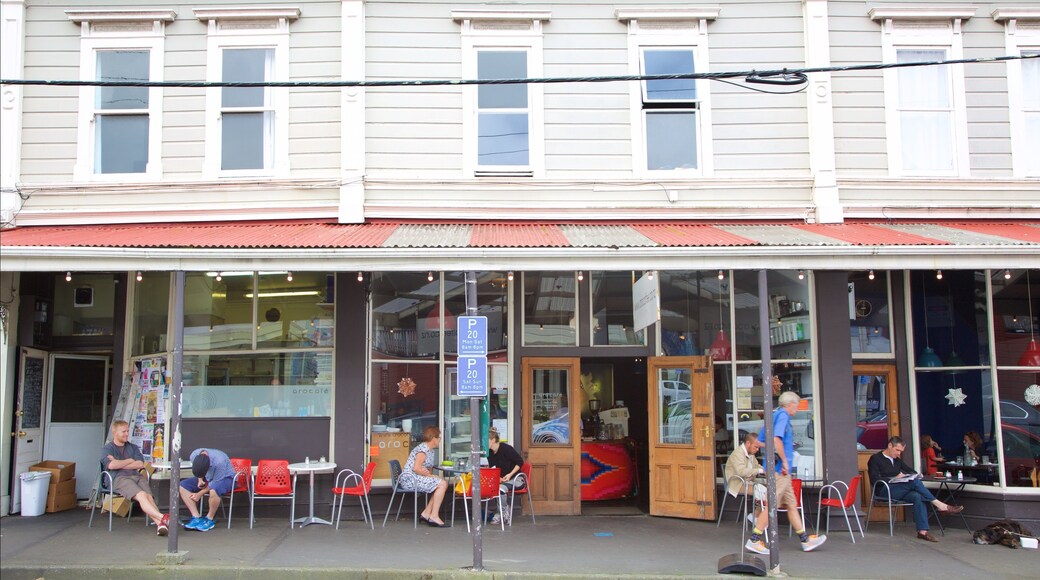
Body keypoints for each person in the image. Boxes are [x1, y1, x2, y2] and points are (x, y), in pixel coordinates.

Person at [746, 391, 827, 555]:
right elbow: (776, 439)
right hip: (780, 471)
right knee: (772, 505)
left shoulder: (774, 416)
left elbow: (761, 441)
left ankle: (805, 540)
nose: (796, 409)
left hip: (780, 470)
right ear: (790, 404)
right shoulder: (783, 416)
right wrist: (783, 459)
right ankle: (754, 539)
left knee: (791, 505)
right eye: (796, 406)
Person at [868, 436, 963, 542]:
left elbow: (911, 472)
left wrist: (911, 475)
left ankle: (922, 532)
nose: (899, 453)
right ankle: (940, 505)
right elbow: (874, 479)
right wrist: (894, 478)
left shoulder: (897, 460)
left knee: (918, 496)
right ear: (890, 446)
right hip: (884, 490)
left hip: (899, 490)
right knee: (914, 482)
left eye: (901, 451)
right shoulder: (875, 459)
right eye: (897, 450)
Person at [100, 420, 169, 536]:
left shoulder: (133, 447)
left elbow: (140, 464)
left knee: (149, 497)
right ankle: (162, 517)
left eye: (127, 431)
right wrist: (129, 460)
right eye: (123, 431)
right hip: (119, 478)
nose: (127, 434)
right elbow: (111, 466)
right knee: (141, 495)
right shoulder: (107, 449)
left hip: (136, 475)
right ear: (114, 432)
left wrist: (120, 462)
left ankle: (160, 524)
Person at [400, 426, 449, 527]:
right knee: (442, 484)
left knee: (440, 484)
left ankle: (427, 513)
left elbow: (428, 468)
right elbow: (417, 468)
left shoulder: (430, 450)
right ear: (433, 438)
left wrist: (431, 476)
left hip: (416, 477)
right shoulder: (423, 449)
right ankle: (434, 516)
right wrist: (431, 476)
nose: (440, 440)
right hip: (410, 479)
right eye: (438, 437)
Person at [179, 448, 236, 532]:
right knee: (183, 485)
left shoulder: (220, 461)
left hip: (226, 479)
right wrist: (200, 480)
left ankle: (210, 519)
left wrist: (199, 494)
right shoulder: (194, 455)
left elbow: (215, 483)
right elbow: (199, 470)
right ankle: (196, 517)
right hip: (207, 477)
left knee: (214, 490)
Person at [486, 427, 525, 525]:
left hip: (516, 478)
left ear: (493, 440)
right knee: (492, 487)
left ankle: (502, 512)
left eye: (486, 440)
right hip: (503, 480)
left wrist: (510, 474)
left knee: (500, 489)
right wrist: (498, 478)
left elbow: (520, 462)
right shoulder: (490, 453)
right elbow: (493, 467)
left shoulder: (506, 448)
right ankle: (502, 512)